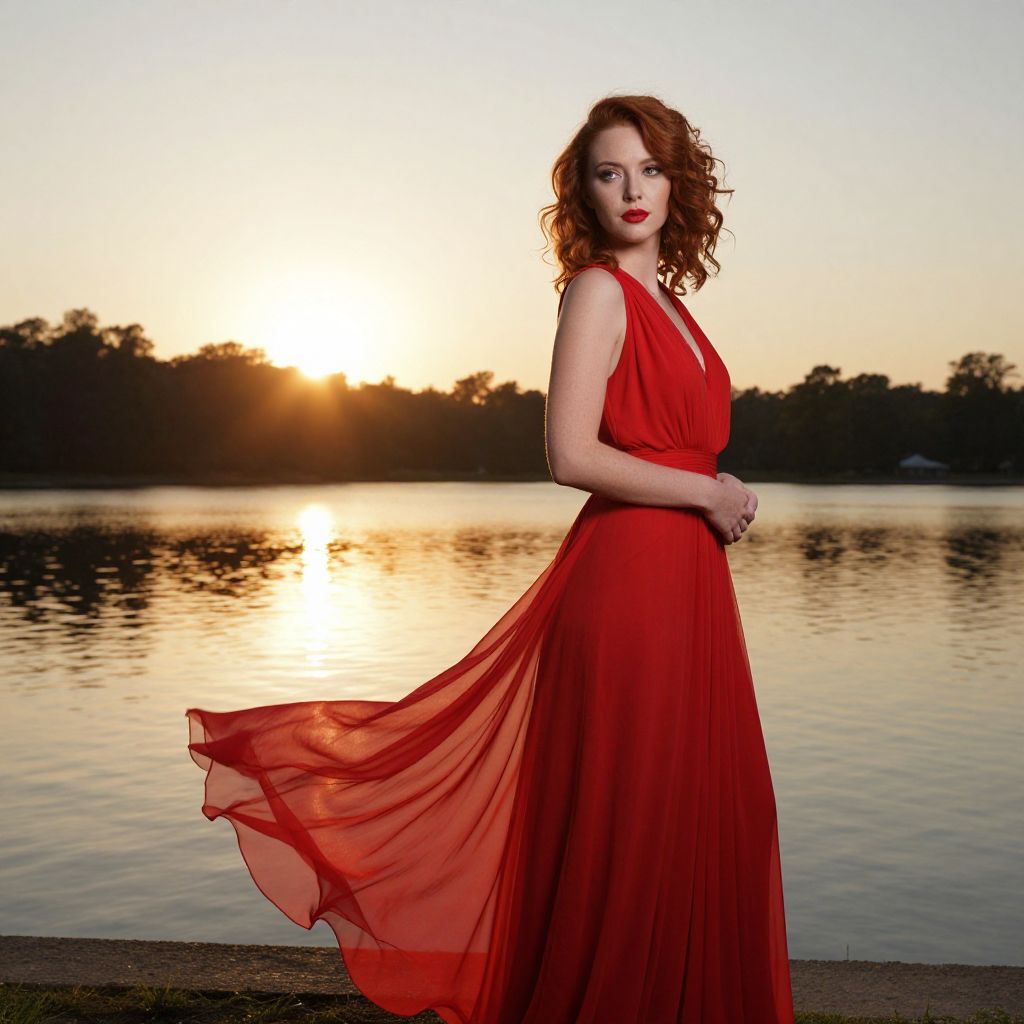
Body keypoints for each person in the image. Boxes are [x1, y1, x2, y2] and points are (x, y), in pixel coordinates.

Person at [186, 93, 796, 1023]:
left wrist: (712, 485)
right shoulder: (599, 291)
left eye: (650, 169)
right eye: (608, 172)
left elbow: (669, 446)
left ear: (680, 183)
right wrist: (706, 494)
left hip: (692, 589)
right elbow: (571, 455)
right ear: (583, 194)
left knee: (720, 813)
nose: (632, 189)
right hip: (627, 587)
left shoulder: (673, 303)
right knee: (628, 824)